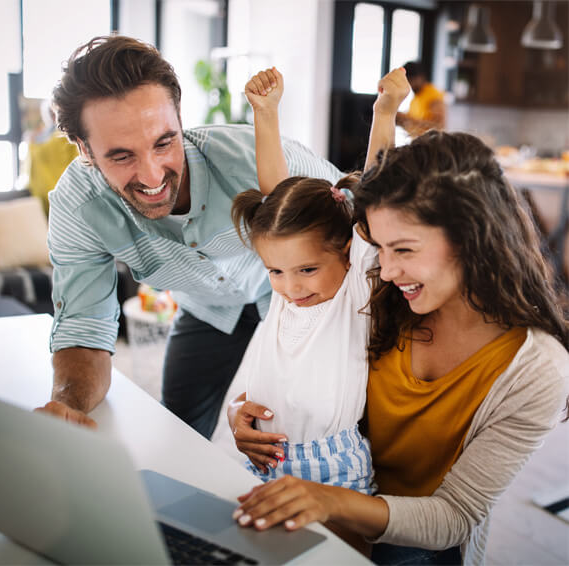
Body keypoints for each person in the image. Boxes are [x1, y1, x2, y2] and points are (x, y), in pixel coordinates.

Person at [228, 72, 569, 565]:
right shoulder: (383, 293)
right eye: (379, 248)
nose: (383, 269)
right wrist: (257, 421)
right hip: (316, 499)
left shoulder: (536, 369)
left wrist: (332, 500)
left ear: (471, 237)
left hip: (416, 538)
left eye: (403, 249)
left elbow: (452, 516)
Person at [35, 35, 343, 439]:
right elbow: (84, 326)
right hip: (206, 307)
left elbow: (363, 223)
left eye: (164, 142)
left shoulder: (256, 157)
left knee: (320, 420)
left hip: (295, 297)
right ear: (84, 150)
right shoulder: (78, 208)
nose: (152, 176)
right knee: (178, 434)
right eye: (122, 155)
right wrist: (68, 405)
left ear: (180, 117)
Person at [227, 67, 406, 494]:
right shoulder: (288, 294)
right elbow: (275, 198)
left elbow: (375, 195)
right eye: (275, 271)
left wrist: (385, 113)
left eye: (307, 269)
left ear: (347, 252)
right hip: (265, 461)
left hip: (334, 470)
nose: (291, 288)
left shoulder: (351, 291)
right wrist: (265, 113)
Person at [396, 61, 446, 138]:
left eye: (410, 80)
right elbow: (413, 124)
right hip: (417, 144)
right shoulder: (415, 98)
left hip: (428, 146)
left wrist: (407, 119)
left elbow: (438, 126)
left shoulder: (433, 94)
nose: (409, 84)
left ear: (420, 77)